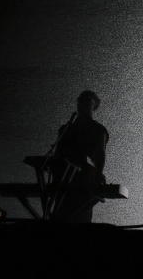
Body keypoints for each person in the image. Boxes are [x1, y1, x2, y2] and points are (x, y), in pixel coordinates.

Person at [52, 90, 109, 222]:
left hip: (80, 178)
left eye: (87, 101)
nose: (82, 103)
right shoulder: (66, 128)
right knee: (63, 214)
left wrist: (98, 174)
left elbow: (100, 155)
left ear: (93, 106)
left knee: (78, 215)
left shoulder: (98, 130)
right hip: (63, 177)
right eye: (81, 100)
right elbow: (57, 153)